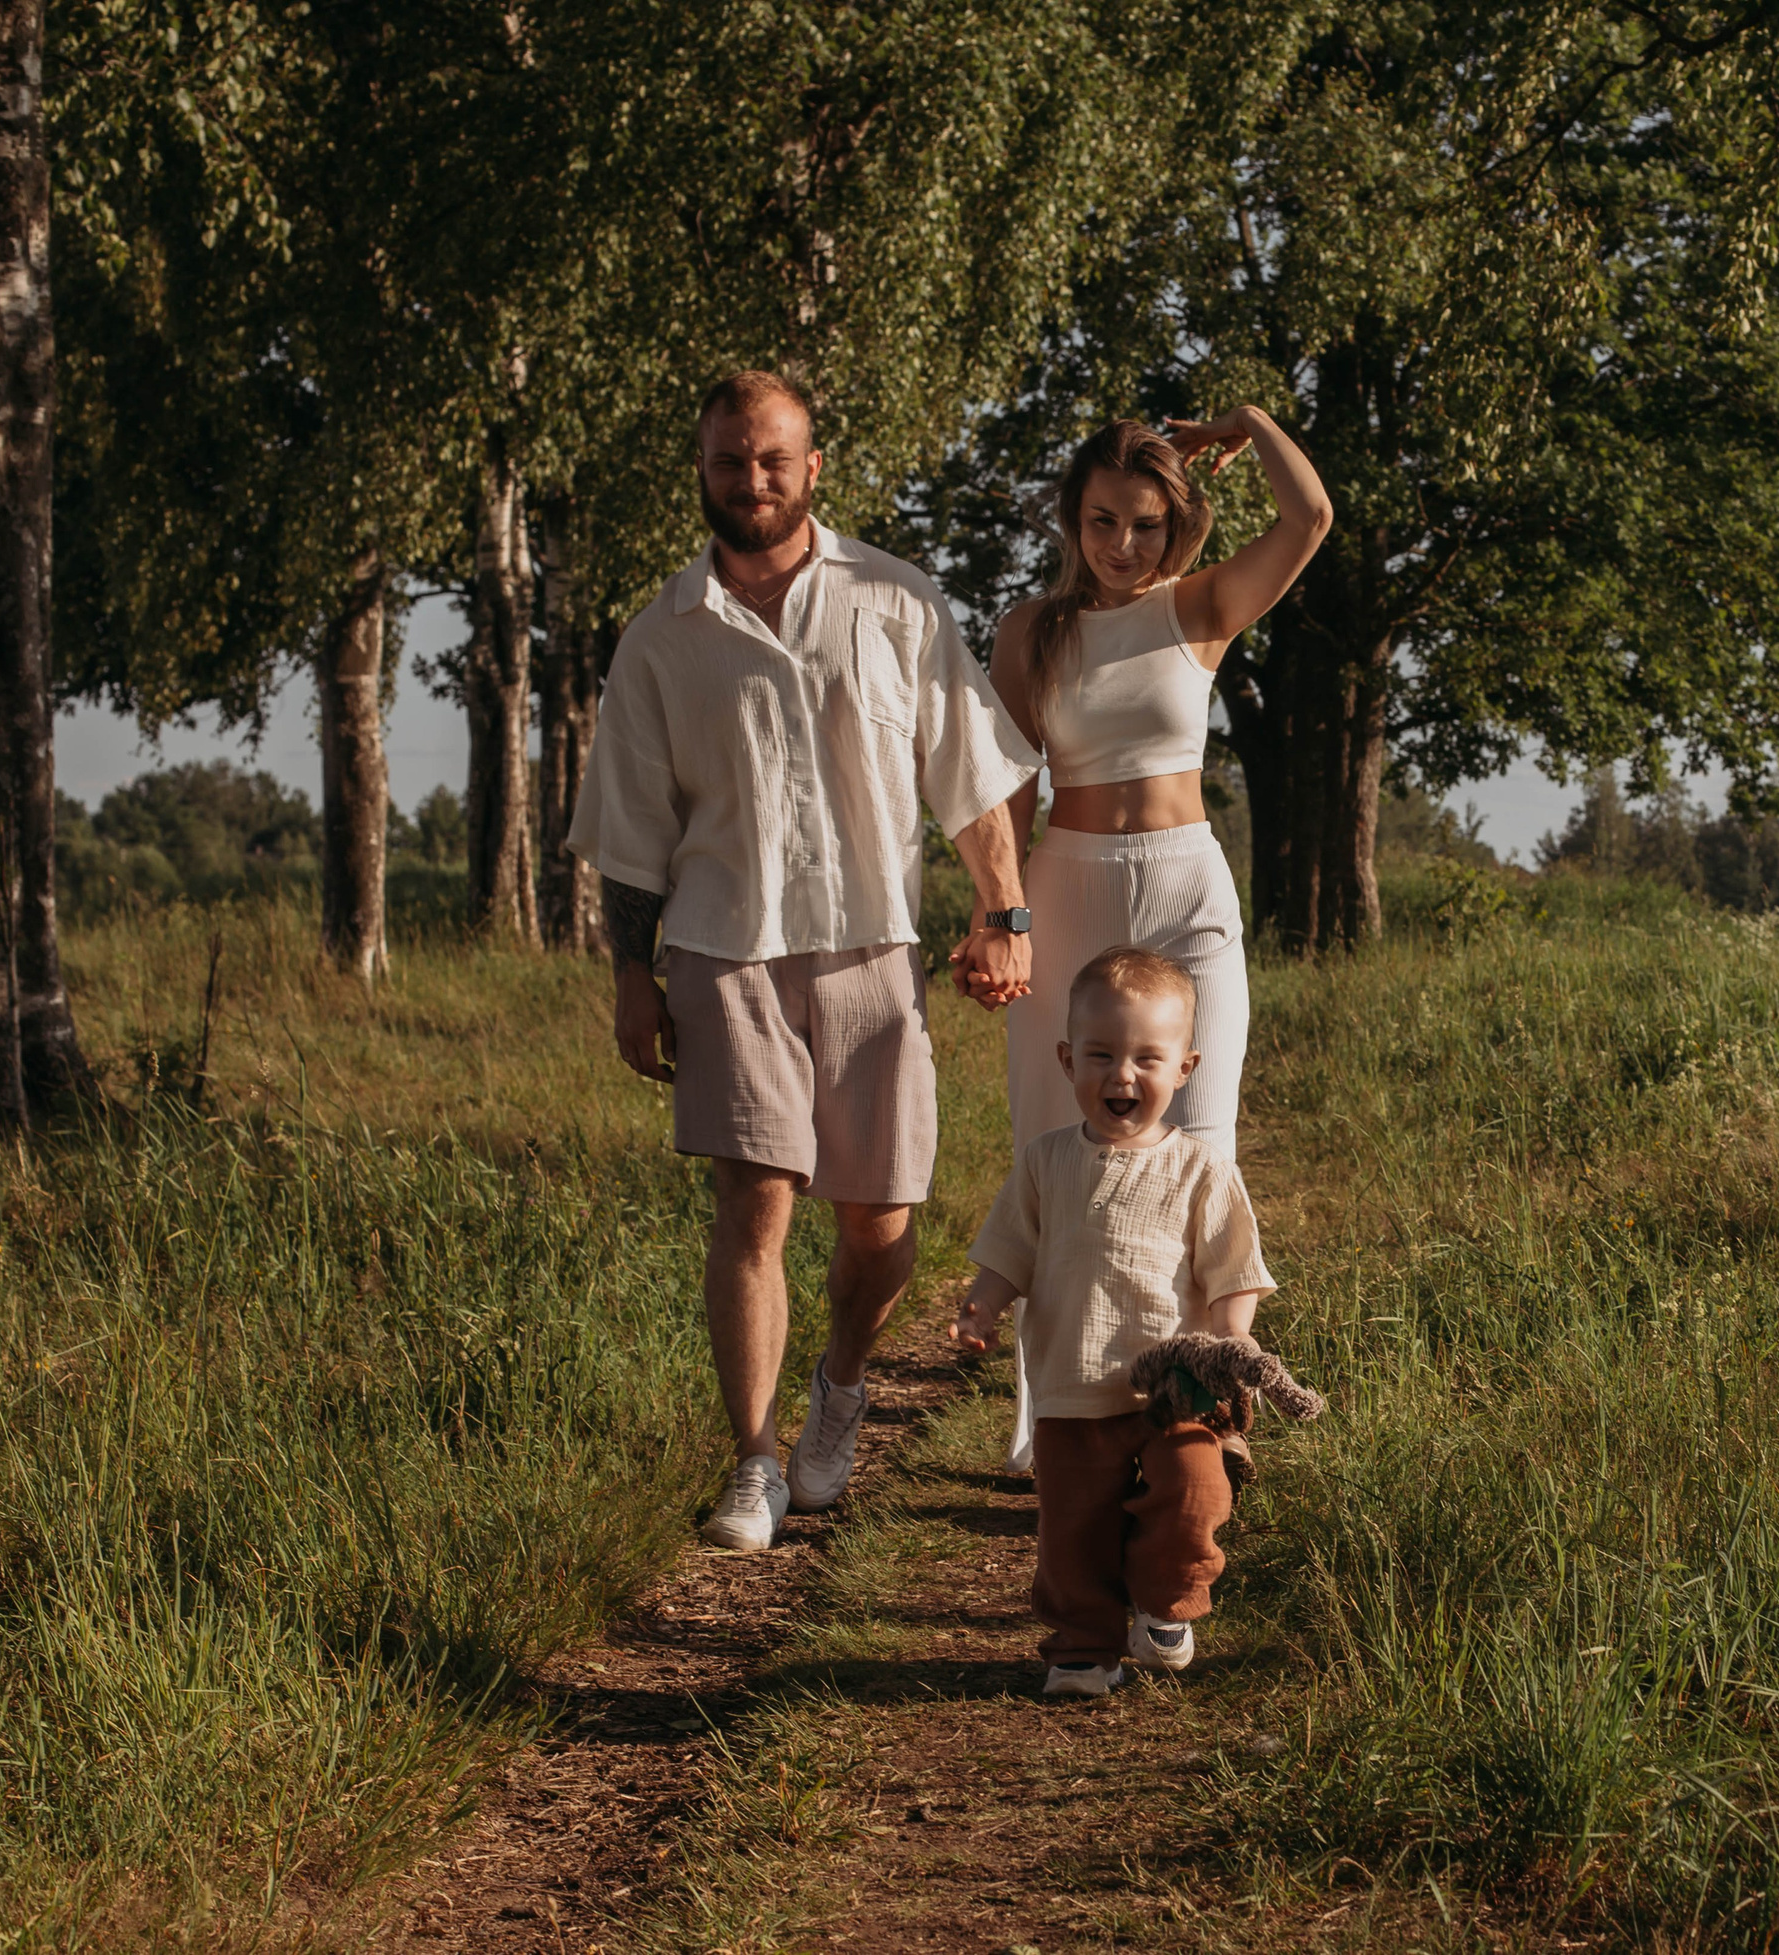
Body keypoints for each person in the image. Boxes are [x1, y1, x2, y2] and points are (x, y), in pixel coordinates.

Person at [569, 369, 1041, 1554]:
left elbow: (972, 777)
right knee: (754, 1203)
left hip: (872, 946)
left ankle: (840, 1384)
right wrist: (632, 974)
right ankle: (754, 1457)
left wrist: (1005, 913)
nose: (752, 478)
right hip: (722, 947)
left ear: (813, 465)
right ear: (702, 470)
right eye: (730, 460)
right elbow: (629, 829)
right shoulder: (661, 638)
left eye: (773, 457)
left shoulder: (894, 600)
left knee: (880, 1222)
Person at [986, 410, 1331, 1470]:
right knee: (1057, 1143)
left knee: (1201, 1145)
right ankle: (1054, 1412)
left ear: (1172, 525)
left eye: (1143, 523)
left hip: (1187, 889)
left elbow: (1309, 514)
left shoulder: (1200, 605)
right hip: (1068, 885)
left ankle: (1199, 1411)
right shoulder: (1029, 628)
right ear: (1071, 517)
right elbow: (1002, 788)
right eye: (1101, 520)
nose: (1121, 544)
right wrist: (998, 917)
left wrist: (1247, 422)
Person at [952, 945, 1275, 1696]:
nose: (1122, 1075)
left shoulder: (1203, 1170)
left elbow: (1233, 1269)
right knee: (1074, 1528)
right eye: (1100, 1054)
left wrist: (1235, 1338)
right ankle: (1083, 1644)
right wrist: (983, 1304)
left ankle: (1164, 1603)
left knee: (1196, 1493)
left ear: (1185, 1069)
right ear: (1067, 1060)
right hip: (1072, 1383)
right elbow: (1009, 1248)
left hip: (1179, 1388)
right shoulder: (1045, 1161)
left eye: (1146, 1058)